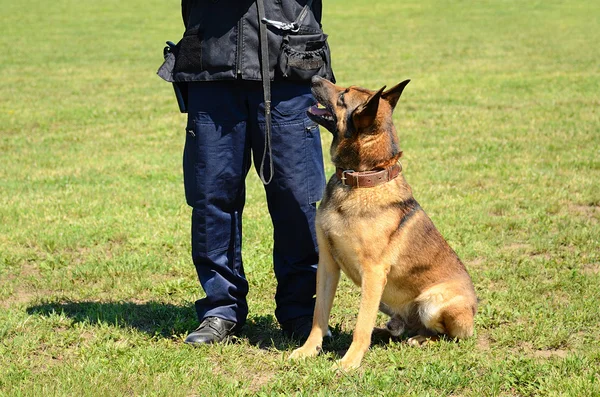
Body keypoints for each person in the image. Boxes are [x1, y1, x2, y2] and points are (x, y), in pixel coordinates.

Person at [157, 0, 333, 344]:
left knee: (296, 196)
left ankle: (301, 311)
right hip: (212, 65)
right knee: (211, 198)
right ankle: (220, 309)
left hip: (289, 66)